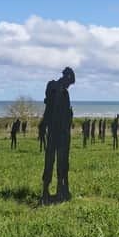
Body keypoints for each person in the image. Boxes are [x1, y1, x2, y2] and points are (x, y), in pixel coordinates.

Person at [41, 67, 75, 204]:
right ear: (66, 78)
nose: (69, 86)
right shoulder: (57, 90)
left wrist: (44, 124)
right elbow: (50, 109)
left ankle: (56, 190)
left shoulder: (53, 88)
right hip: (59, 132)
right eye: (69, 83)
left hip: (57, 131)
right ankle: (54, 191)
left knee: (56, 161)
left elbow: (48, 109)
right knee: (57, 162)